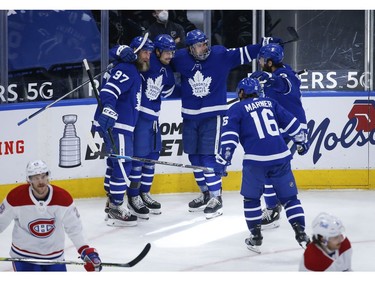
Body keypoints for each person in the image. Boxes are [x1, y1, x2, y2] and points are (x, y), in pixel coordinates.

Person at [169, 29, 281, 219]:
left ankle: (216, 197)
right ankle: (205, 193)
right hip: (189, 117)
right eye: (199, 45)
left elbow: (244, 53)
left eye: (205, 43)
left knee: (207, 158)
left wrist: (265, 45)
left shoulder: (219, 55)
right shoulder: (180, 58)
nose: (204, 48)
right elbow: (160, 63)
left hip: (213, 116)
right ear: (190, 48)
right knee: (194, 158)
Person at [214, 77, 311, 253]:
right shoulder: (270, 102)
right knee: (290, 199)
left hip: (256, 161)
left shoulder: (236, 108)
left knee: (251, 199)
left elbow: (229, 139)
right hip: (281, 157)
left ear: (241, 93)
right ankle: (301, 234)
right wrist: (301, 141)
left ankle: (256, 237)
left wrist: (222, 161)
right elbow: (293, 124)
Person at [93, 35, 154, 227]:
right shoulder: (127, 69)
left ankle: (112, 202)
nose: (148, 57)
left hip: (120, 127)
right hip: (118, 126)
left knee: (114, 165)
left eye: (150, 53)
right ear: (135, 52)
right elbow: (108, 91)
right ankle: (116, 208)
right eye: (145, 52)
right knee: (122, 166)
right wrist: (109, 109)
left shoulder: (131, 69)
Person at [0, 160, 102, 272]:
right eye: (36, 177)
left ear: (48, 176)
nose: (40, 181)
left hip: (55, 258)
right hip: (24, 257)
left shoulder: (63, 198)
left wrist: (85, 250)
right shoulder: (15, 197)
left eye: (43, 176)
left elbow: (74, 227)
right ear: (29, 180)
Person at [250, 43, 310, 230]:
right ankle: (273, 207)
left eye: (262, 59)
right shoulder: (279, 73)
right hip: (278, 129)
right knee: (269, 167)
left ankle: (275, 208)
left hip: (293, 129)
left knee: (274, 168)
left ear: (269, 62)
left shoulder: (285, 75)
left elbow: (285, 86)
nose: (259, 62)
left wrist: (270, 79)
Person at [124, 34, 178, 219]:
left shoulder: (168, 71)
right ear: (157, 51)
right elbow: (130, 57)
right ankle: (133, 197)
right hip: (140, 118)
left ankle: (144, 193)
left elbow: (167, 91)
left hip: (155, 119)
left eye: (172, 52)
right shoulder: (147, 62)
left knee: (151, 158)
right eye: (167, 52)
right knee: (138, 159)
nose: (170, 55)